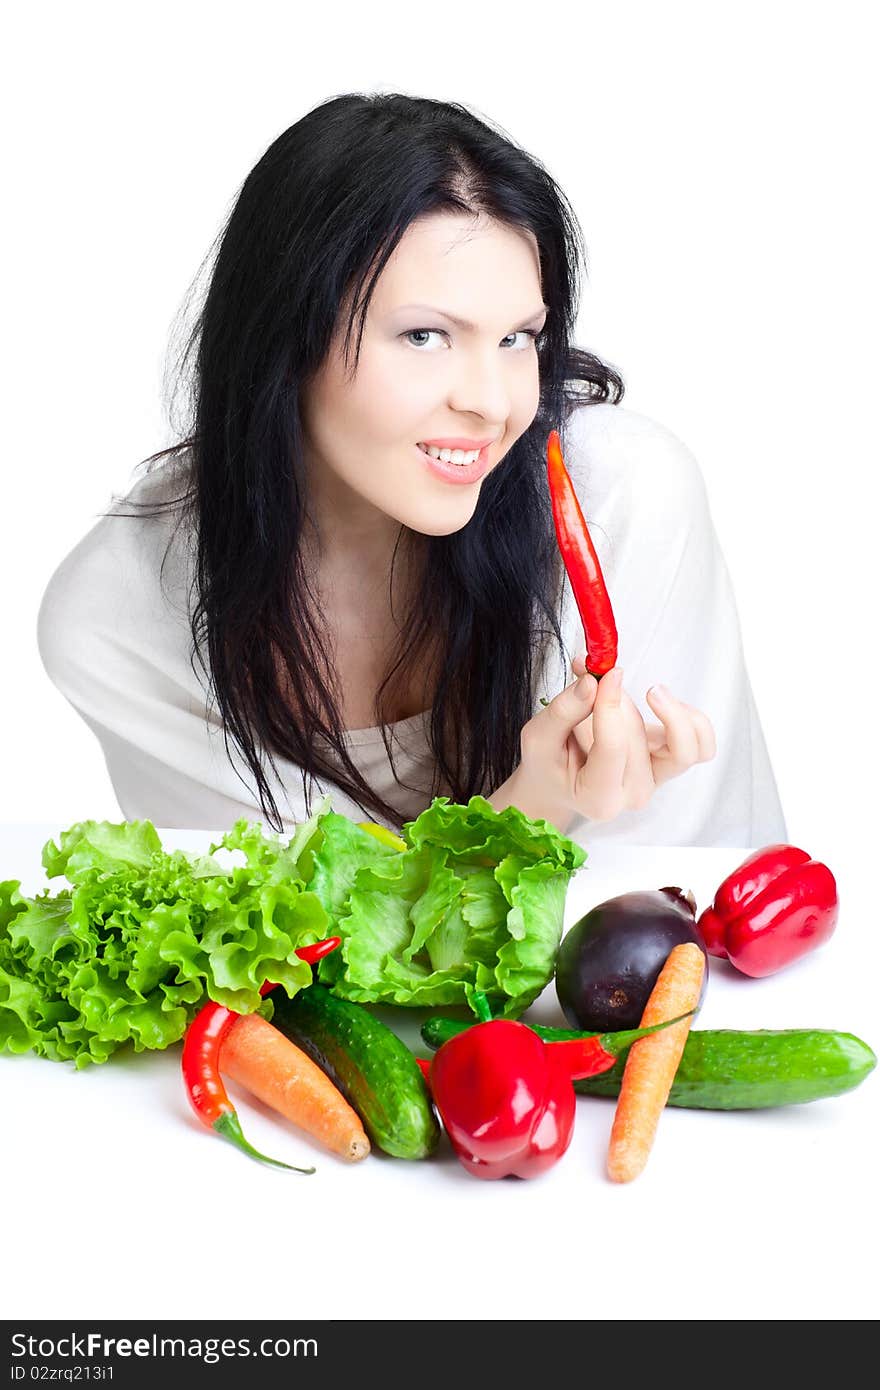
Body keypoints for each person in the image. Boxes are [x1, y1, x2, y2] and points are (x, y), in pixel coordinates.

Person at [37, 92, 787, 847]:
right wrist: (536, 801)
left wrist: (558, 796)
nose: (493, 405)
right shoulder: (119, 615)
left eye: (519, 338)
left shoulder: (622, 496)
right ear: (283, 339)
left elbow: (693, 917)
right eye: (425, 336)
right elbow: (302, 947)